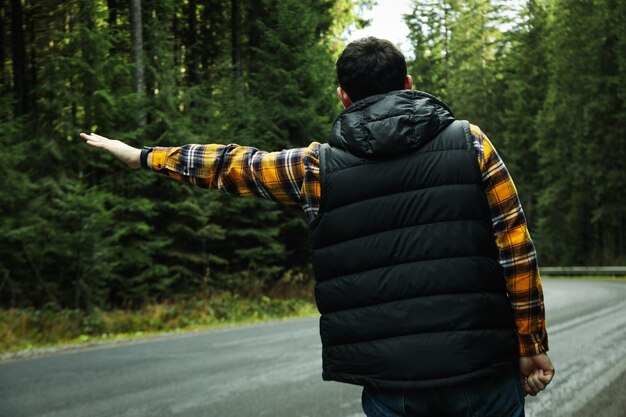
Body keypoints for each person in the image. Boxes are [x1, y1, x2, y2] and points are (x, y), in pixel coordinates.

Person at [80, 37, 554, 417]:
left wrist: (142, 155)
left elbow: (232, 165)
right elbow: (515, 247)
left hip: (393, 386)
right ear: (408, 84)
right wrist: (531, 347)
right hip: (482, 372)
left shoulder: (315, 169)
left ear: (343, 97)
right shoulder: (469, 142)